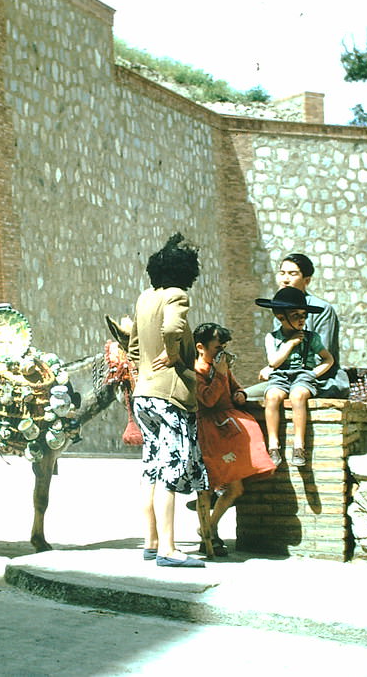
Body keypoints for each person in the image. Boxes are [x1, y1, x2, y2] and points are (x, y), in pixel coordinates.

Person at [128, 232, 208, 568]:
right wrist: (173, 355)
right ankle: (169, 550)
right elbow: (174, 328)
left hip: (143, 394)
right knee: (170, 472)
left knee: (152, 468)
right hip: (169, 396)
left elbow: (132, 346)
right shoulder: (177, 296)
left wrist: (143, 370)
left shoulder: (145, 298)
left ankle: (152, 542)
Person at [190, 322, 276, 556]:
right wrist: (218, 375)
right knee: (206, 488)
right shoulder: (196, 371)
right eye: (217, 347)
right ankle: (209, 535)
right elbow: (207, 399)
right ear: (201, 347)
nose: (221, 352)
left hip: (227, 429)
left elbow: (235, 387)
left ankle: (208, 527)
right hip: (209, 433)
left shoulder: (221, 366)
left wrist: (239, 393)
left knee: (235, 488)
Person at [246, 253, 349, 400]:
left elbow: (323, 356)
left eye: (292, 274)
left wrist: (299, 375)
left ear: (306, 280)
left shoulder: (322, 309)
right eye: (282, 273)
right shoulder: (281, 307)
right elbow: (280, 350)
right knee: (243, 397)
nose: (285, 279)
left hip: (318, 378)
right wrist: (273, 368)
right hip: (284, 378)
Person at [255, 286, 335, 467]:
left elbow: (328, 359)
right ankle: (273, 445)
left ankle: (299, 445)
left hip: (302, 376)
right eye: (295, 315)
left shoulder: (311, 338)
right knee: (272, 396)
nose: (301, 320)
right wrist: (289, 344)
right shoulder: (272, 338)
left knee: (297, 396)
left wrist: (313, 373)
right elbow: (274, 362)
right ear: (281, 317)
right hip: (280, 375)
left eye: (304, 315)